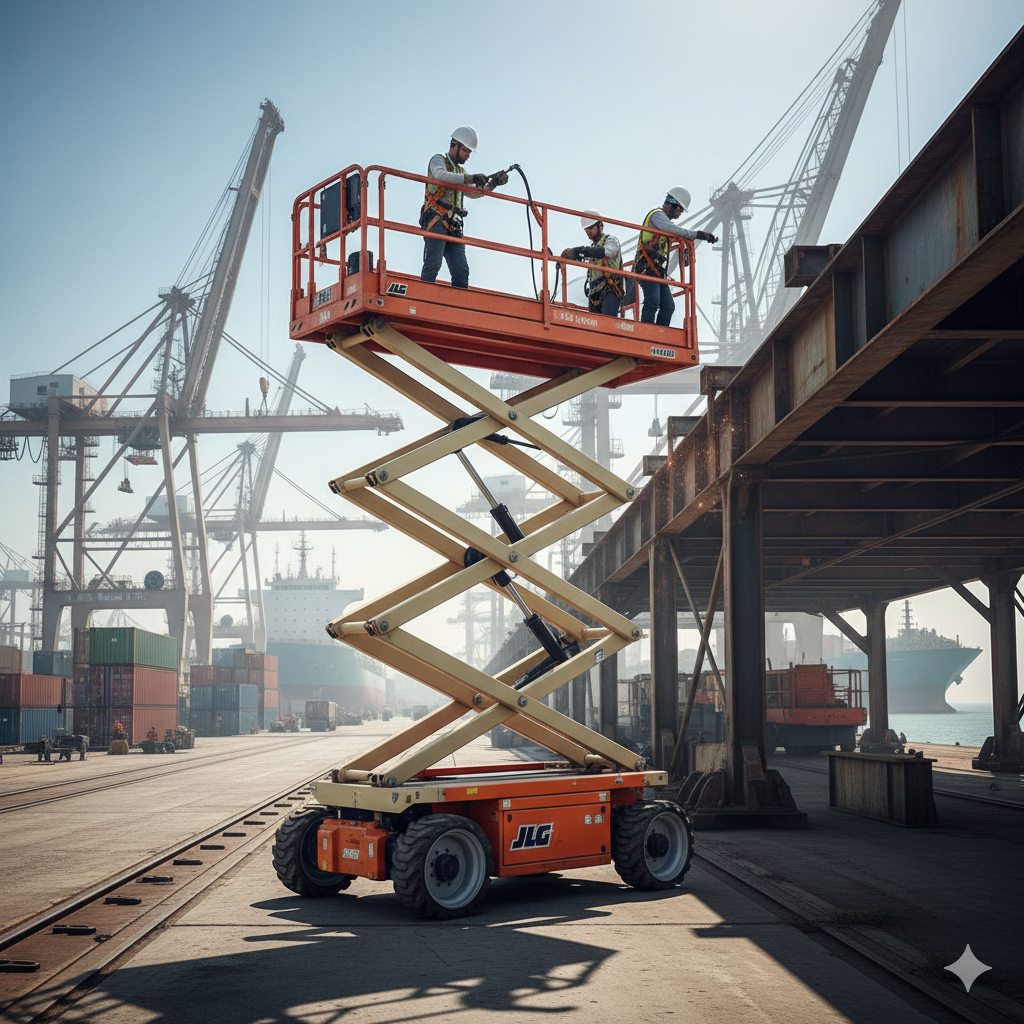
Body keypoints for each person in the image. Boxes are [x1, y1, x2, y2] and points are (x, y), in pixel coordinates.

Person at [419, 126, 508, 289]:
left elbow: (473, 193)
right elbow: (440, 175)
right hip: (436, 220)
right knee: (432, 265)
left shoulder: (460, 171)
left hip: (454, 226)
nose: (467, 155)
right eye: (465, 151)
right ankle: (422, 302)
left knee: (461, 271)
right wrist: (470, 178)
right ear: (455, 145)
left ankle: (456, 310)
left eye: (469, 152)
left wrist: (493, 183)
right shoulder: (438, 160)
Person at [635, 187, 718, 326]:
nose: (680, 213)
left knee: (668, 306)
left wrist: (685, 252)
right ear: (673, 204)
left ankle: (660, 334)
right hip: (646, 266)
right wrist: (698, 234)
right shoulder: (657, 215)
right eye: (680, 209)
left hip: (657, 269)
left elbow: (674, 237)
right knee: (653, 301)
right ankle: (646, 333)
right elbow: (675, 230)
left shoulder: (664, 223)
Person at [561, 209, 623, 317]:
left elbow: (606, 252)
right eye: (586, 230)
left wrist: (579, 250)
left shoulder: (611, 240)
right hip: (594, 294)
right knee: (595, 328)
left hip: (610, 289)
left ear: (600, 226)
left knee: (607, 324)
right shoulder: (593, 248)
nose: (588, 232)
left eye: (591, 228)